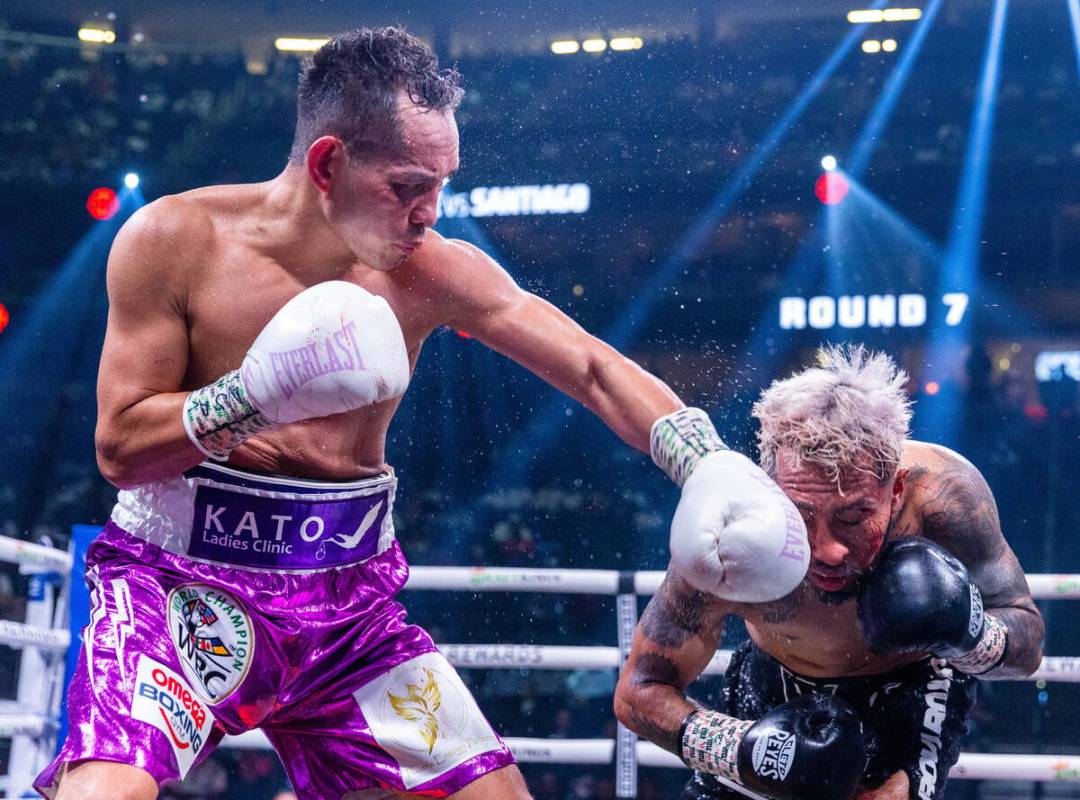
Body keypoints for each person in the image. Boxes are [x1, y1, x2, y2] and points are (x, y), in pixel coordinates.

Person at [35, 27, 811, 800]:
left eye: (442, 184)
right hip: (176, 583)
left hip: (345, 604)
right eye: (407, 186)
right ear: (328, 163)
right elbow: (119, 448)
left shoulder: (427, 270)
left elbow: (589, 365)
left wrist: (702, 459)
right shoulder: (176, 240)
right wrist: (249, 397)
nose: (428, 213)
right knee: (108, 793)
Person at [614, 345, 1045, 800]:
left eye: (854, 518)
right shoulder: (730, 533)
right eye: (799, 516)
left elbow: (1028, 646)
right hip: (771, 684)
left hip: (912, 690)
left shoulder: (944, 500)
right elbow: (637, 692)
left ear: (895, 488)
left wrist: (973, 635)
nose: (829, 550)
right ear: (771, 486)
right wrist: (742, 749)